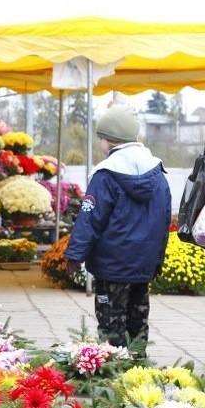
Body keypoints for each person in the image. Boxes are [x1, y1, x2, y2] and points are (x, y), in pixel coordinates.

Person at [64, 104, 171, 357]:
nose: (100, 142)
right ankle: (137, 367)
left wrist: (74, 254)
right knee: (138, 317)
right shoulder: (157, 174)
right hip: (143, 264)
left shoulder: (106, 175)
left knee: (111, 320)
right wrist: (158, 260)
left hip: (112, 265)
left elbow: (90, 218)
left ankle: (113, 367)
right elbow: (164, 221)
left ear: (110, 140)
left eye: (101, 137)